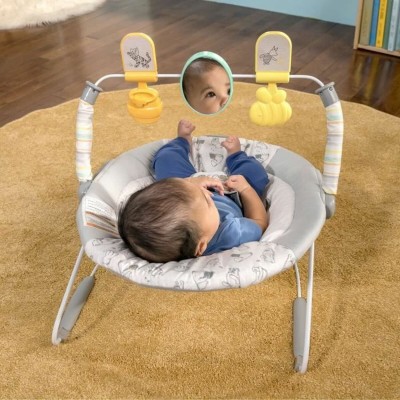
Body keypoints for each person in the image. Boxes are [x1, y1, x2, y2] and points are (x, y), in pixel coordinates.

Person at [118, 119, 270, 263]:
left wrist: (191, 183)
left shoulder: (194, 223)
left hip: (187, 183)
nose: (207, 193)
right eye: (208, 201)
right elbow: (260, 222)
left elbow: (182, 192)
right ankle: (236, 156)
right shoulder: (232, 233)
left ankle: (182, 141)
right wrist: (246, 189)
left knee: (166, 159)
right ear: (201, 246)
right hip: (233, 195)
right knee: (256, 174)